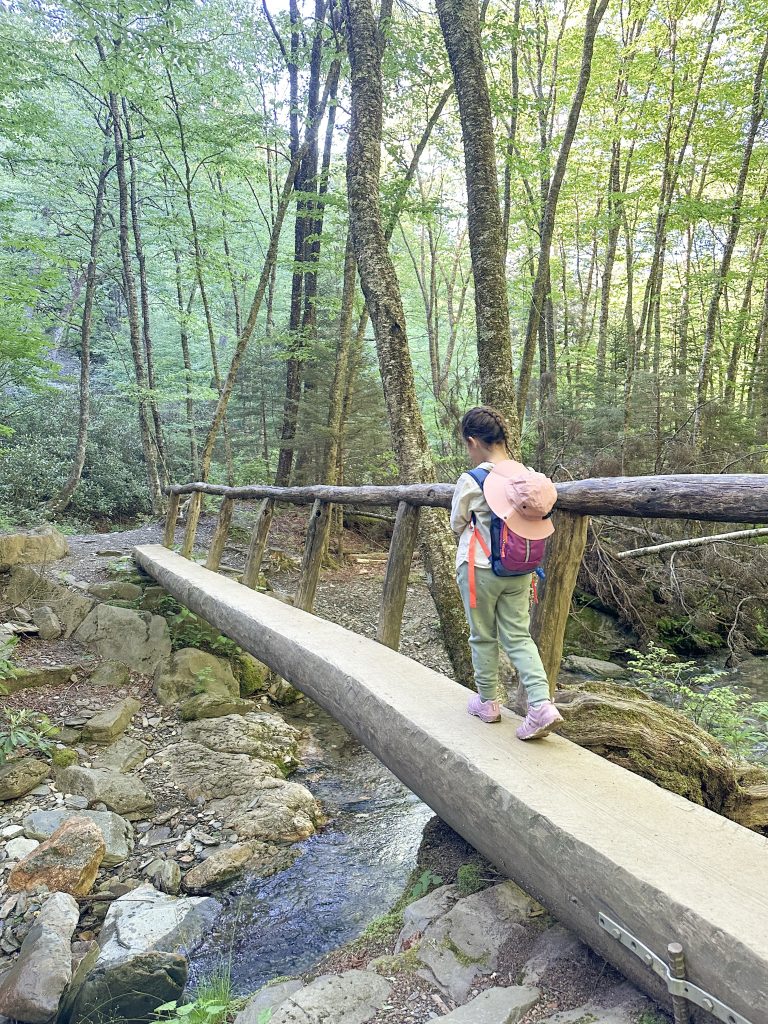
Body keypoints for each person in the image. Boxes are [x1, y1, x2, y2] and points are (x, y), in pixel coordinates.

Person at [450, 405, 563, 740]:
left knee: (483, 635)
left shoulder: (473, 479)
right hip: (520, 568)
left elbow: (457, 523)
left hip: (479, 568)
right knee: (517, 636)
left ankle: (488, 703)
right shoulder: (526, 475)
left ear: (473, 441)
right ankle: (541, 705)